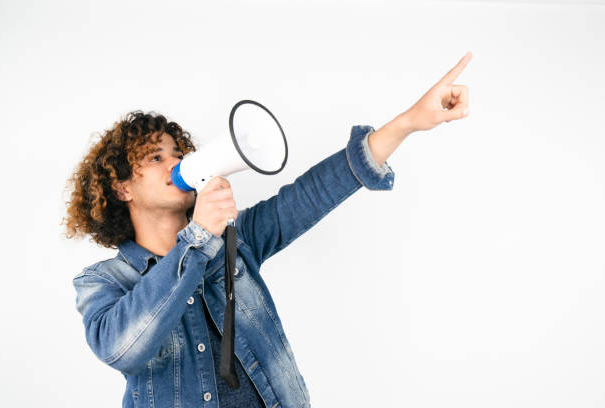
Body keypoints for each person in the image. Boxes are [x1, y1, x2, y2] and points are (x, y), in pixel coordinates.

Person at [63, 53, 471, 408]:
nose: (175, 162)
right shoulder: (102, 282)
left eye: (180, 153)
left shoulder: (236, 243)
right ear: (121, 187)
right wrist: (197, 238)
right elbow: (122, 348)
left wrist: (408, 122)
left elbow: (314, 193)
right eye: (155, 156)